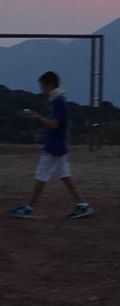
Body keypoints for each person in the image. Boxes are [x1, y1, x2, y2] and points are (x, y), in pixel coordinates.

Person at [9, 71, 94, 219]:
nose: (42, 91)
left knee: (42, 175)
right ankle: (82, 204)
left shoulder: (58, 102)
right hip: (59, 145)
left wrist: (37, 117)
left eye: (43, 87)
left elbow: (54, 124)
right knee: (65, 175)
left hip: (54, 146)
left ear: (50, 85)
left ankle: (29, 207)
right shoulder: (59, 100)